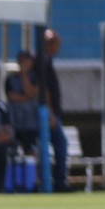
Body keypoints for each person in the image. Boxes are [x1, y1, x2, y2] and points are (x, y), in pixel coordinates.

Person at [42, 28, 70, 192]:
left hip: (51, 113)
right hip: (49, 114)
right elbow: (44, 91)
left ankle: (57, 181)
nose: (58, 46)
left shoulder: (47, 60)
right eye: (55, 43)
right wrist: (50, 113)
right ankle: (58, 183)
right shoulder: (42, 61)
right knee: (61, 145)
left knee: (59, 146)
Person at [4, 49, 40, 157]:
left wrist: (24, 76)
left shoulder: (35, 77)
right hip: (15, 121)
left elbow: (32, 92)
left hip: (30, 123)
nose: (26, 64)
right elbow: (12, 97)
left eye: (28, 61)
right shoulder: (11, 79)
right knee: (12, 150)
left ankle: (33, 173)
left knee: (31, 150)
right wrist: (28, 97)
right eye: (23, 61)